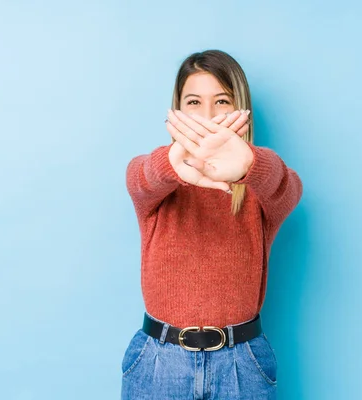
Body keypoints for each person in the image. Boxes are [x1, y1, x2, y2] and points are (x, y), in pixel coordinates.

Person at [122, 49, 303, 399]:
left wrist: (250, 163)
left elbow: (288, 188)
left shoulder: (257, 191)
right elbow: (139, 177)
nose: (207, 116)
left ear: (241, 109)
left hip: (241, 365)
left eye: (222, 101)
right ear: (176, 111)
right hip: (160, 362)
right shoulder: (157, 185)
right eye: (193, 102)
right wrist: (175, 162)